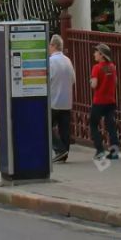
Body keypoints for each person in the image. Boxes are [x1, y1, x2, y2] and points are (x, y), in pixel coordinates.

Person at [89, 43, 120, 161]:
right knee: (111, 126)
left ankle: (100, 150)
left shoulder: (97, 68)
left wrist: (90, 81)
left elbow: (94, 84)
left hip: (99, 101)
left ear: (102, 55)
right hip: (110, 101)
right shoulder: (112, 67)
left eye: (96, 52)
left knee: (93, 124)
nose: (94, 54)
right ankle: (114, 152)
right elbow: (115, 82)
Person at [48, 35, 75, 163]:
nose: (49, 47)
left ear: (53, 46)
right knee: (64, 129)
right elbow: (73, 79)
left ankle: (59, 149)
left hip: (53, 101)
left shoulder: (51, 62)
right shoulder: (68, 60)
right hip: (66, 101)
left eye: (50, 45)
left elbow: (47, 81)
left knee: (45, 126)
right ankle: (64, 153)